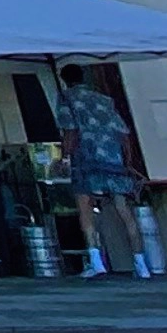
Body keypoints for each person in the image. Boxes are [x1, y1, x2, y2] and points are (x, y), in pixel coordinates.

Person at [57, 69, 136, 279]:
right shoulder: (104, 100)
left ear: (64, 80)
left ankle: (96, 262)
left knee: (86, 209)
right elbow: (124, 134)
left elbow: (70, 132)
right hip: (113, 159)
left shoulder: (66, 98)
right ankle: (142, 263)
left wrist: (64, 158)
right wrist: (127, 161)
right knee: (124, 210)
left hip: (86, 159)